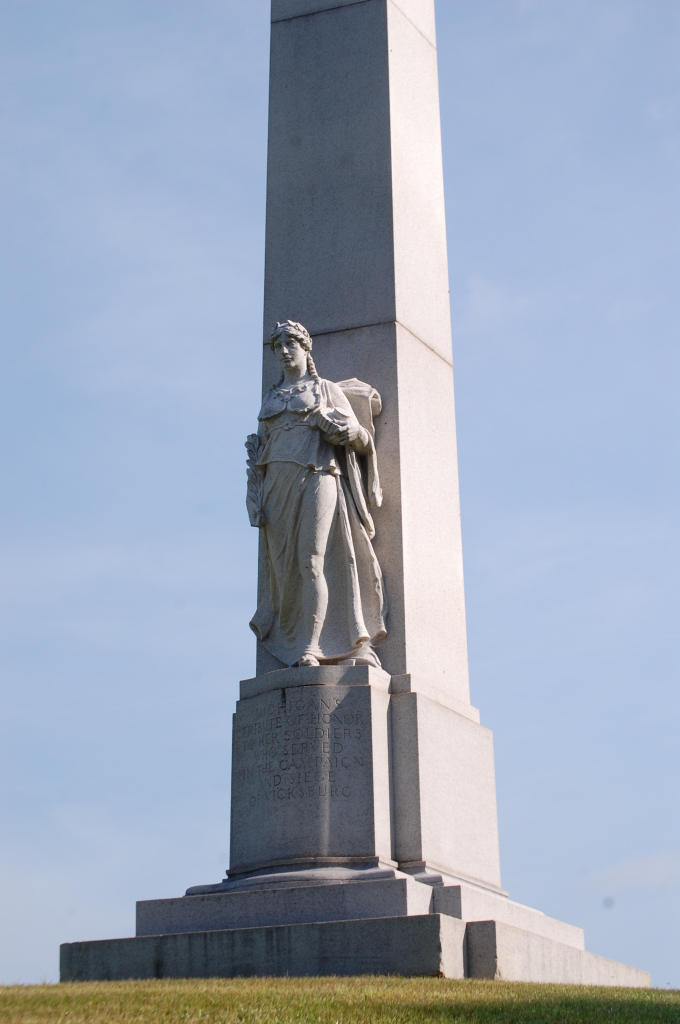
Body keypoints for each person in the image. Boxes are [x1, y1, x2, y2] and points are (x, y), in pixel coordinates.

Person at [246, 320, 387, 668]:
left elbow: (362, 438)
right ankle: (290, 640)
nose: (284, 351)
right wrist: (253, 496)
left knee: (311, 561)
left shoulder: (324, 390)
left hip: (318, 475)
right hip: (277, 486)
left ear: (307, 348)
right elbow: (259, 454)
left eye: (291, 344)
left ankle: (312, 647)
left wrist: (348, 432)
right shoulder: (272, 399)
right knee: (284, 571)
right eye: (278, 346)